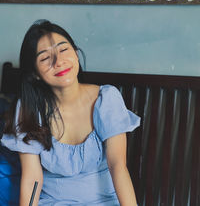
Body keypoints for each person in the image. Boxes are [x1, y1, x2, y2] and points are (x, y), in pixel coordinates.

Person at [1, 20, 140, 206]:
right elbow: (32, 178)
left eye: (64, 50)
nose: (59, 62)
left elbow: (118, 166)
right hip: (53, 202)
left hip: (105, 201)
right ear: (34, 73)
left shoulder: (105, 99)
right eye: (45, 58)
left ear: (75, 53)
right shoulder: (29, 109)